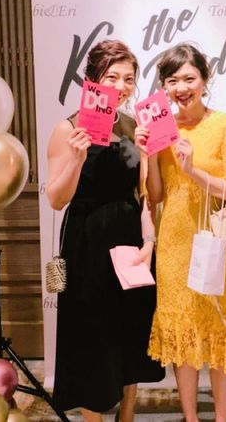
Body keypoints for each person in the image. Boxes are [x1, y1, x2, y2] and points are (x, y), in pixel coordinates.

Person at [46, 39, 164, 422]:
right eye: (112, 77)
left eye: (129, 79)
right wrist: (77, 159)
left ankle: (126, 415)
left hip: (130, 240)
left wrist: (150, 240)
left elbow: (147, 194)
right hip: (88, 243)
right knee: (91, 335)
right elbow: (56, 199)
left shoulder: (133, 126)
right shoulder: (67, 129)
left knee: (132, 329)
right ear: (92, 80)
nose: (121, 86)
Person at [135, 43, 226, 422]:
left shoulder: (225, 125)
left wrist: (193, 171)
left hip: (216, 242)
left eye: (189, 78)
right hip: (174, 244)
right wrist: (149, 154)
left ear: (204, 79)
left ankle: (221, 417)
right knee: (183, 336)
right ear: (164, 87)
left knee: (218, 331)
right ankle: (190, 418)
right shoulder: (160, 127)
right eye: (172, 81)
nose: (181, 88)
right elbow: (155, 195)